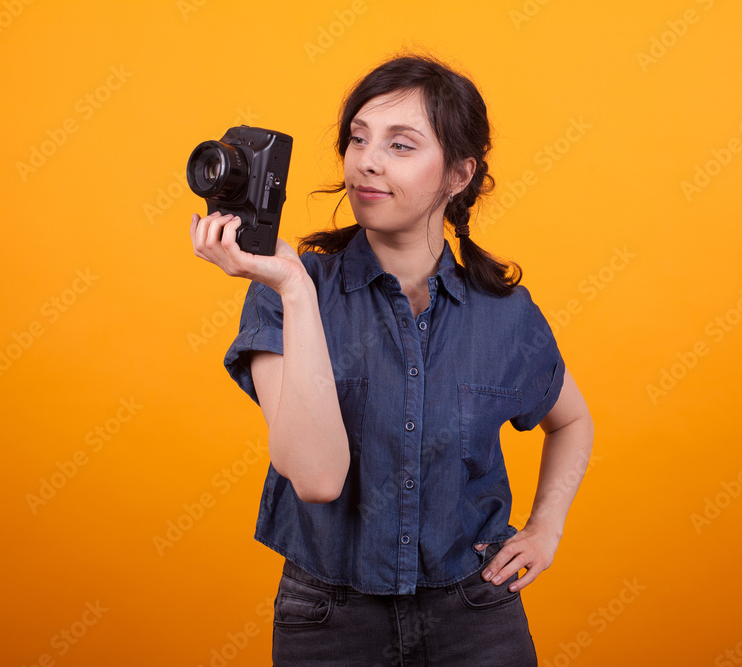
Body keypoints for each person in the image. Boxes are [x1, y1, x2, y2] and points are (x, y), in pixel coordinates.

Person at [189, 53, 594, 666]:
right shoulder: (290, 291)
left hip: (476, 619)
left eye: (401, 145)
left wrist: (546, 528)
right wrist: (295, 290)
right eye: (358, 139)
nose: (367, 161)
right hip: (328, 623)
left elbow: (572, 420)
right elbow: (318, 479)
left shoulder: (506, 315)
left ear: (459, 174)